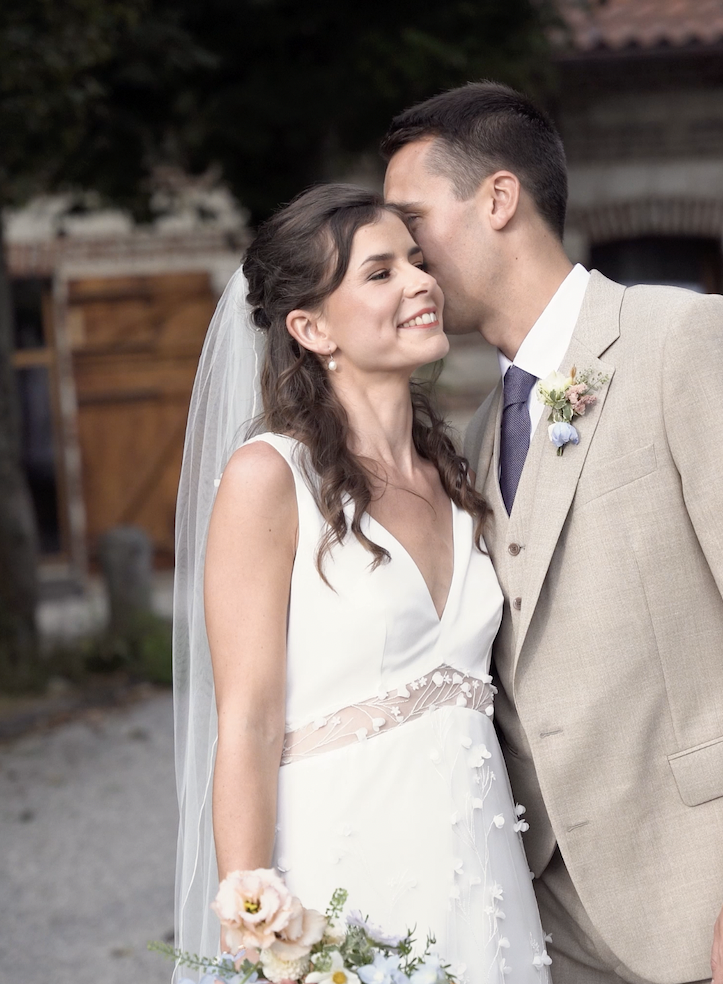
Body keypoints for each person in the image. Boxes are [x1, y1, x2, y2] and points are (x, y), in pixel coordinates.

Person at [380, 83, 723, 984]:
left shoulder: (685, 340)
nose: (407, 258)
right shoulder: (472, 434)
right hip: (546, 915)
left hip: (707, 897)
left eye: (414, 221)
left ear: (498, 199)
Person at [172, 183, 554, 984]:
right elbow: (244, 722)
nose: (421, 282)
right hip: (344, 874)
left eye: (418, 262)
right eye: (380, 273)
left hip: (484, 878)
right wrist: (257, 918)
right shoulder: (269, 480)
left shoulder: (458, 471)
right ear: (311, 328)